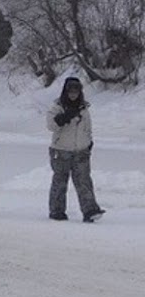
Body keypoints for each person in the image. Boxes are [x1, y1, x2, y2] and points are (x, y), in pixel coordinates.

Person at [46, 76, 105, 223]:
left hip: (81, 150)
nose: (73, 94)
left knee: (84, 181)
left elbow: (87, 127)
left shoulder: (84, 108)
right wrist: (64, 117)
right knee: (60, 181)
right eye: (70, 91)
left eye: (76, 91)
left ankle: (90, 210)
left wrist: (89, 142)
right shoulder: (56, 107)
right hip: (61, 150)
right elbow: (51, 126)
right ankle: (57, 210)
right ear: (65, 92)